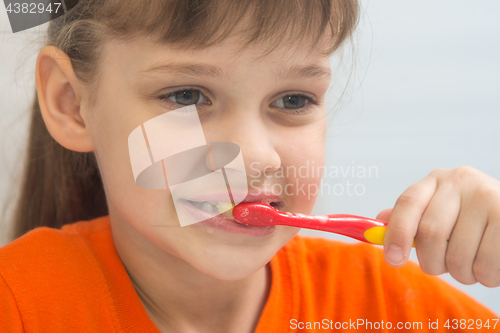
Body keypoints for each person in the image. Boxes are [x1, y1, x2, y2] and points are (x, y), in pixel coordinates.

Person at [1, 0, 499, 332]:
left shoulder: (390, 311)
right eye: (187, 95)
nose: (258, 156)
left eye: (293, 99)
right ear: (71, 104)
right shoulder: (19, 305)